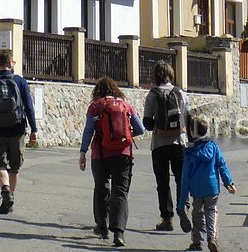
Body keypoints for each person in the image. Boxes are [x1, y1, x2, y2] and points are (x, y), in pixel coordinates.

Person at [78, 76, 145, 248]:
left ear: (97, 91)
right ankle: (119, 233)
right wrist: (123, 136)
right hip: (124, 154)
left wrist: (83, 152)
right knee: (120, 192)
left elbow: (88, 131)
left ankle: (102, 227)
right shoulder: (126, 105)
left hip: (100, 154)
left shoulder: (95, 106)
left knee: (101, 189)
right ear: (115, 90)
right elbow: (140, 129)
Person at [0, 50, 37, 214]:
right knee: (15, 167)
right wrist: (34, 129)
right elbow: (29, 107)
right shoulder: (20, 82)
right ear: (11, 63)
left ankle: (5, 192)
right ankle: (10, 197)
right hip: (17, 130)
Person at [142, 59, 191, 232]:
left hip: (159, 144)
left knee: (162, 182)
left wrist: (158, 123)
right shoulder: (181, 94)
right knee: (181, 179)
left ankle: (167, 219)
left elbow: (147, 123)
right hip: (180, 142)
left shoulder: (152, 95)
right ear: (170, 75)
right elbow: (189, 118)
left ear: (155, 76)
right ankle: (183, 206)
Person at [177, 117, 236, 252]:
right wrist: (228, 182)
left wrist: (181, 203)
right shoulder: (213, 147)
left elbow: (185, 177)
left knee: (197, 213)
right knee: (212, 211)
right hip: (212, 186)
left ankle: (197, 242)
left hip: (196, 189)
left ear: (192, 132)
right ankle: (212, 238)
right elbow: (222, 165)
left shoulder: (189, 152)